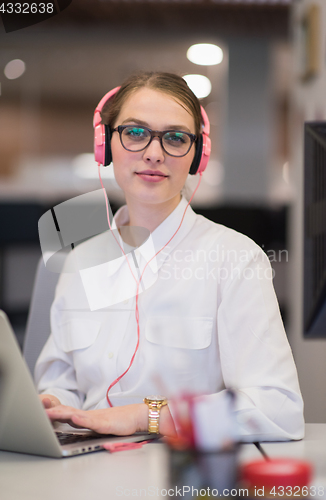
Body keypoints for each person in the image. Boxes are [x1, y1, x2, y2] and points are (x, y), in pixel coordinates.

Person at [35, 71, 304, 442]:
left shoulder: (235, 258)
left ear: (198, 155)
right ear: (105, 144)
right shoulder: (81, 261)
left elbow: (278, 409)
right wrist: (49, 405)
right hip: (81, 465)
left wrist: (146, 416)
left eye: (176, 138)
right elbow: (61, 384)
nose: (153, 153)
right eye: (135, 132)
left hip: (181, 469)